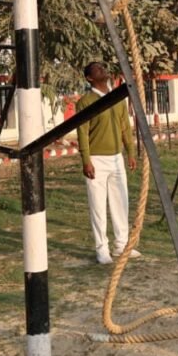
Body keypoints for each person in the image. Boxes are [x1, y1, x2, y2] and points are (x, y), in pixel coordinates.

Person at [76, 61, 140, 264]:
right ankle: (101, 248)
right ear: (89, 78)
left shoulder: (117, 98)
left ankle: (122, 245)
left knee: (121, 202)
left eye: (103, 67)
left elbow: (124, 128)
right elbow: (83, 133)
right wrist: (86, 160)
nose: (102, 69)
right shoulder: (85, 102)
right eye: (97, 68)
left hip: (116, 158)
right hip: (96, 159)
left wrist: (130, 152)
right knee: (98, 205)